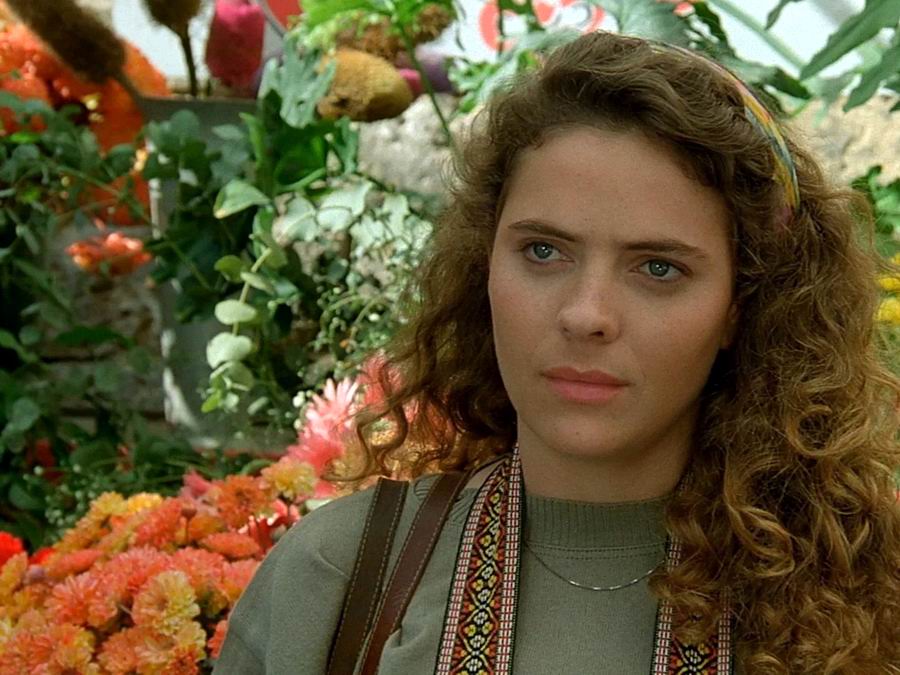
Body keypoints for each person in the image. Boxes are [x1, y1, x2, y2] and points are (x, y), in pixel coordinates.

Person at [213, 30, 900, 674]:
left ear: (740, 306)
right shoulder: (337, 582)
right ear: (484, 264)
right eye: (544, 251)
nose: (586, 315)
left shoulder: (869, 599)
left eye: (658, 267)